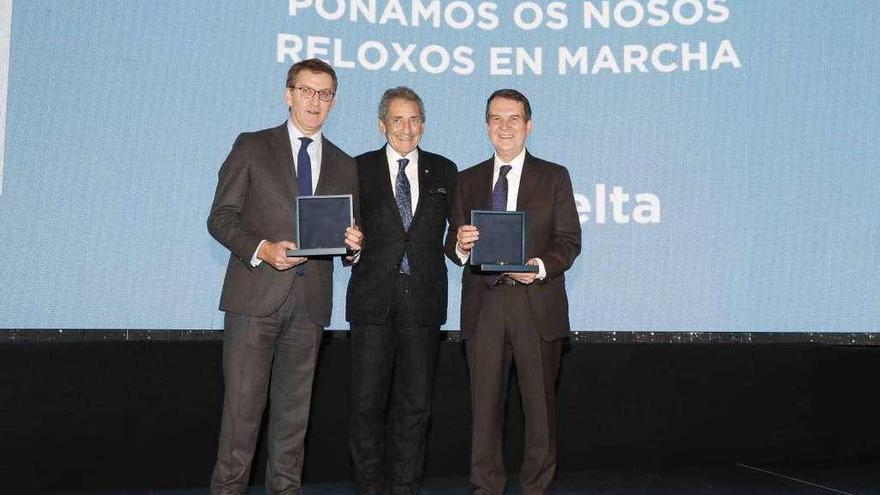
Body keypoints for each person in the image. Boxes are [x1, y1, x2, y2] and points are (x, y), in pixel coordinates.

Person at [207, 58, 363, 495]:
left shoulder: (345, 164)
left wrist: (354, 247)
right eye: (307, 91)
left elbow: (346, 239)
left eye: (326, 93)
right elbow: (220, 218)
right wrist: (262, 249)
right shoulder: (253, 146)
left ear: (334, 102)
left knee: (293, 425)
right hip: (254, 301)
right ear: (288, 93)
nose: (316, 101)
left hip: (310, 307)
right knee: (241, 418)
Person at [445, 89, 581, 495]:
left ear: (529, 124)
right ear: (487, 125)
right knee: (484, 409)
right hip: (484, 307)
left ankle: (536, 488)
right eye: (496, 119)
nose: (505, 127)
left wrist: (537, 268)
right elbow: (451, 242)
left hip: (535, 305)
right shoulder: (466, 179)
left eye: (514, 118)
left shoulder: (554, 176)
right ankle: (486, 487)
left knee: (539, 410)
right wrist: (460, 245)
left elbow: (569, 241)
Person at [346, 86, 457, 495]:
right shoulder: (356, 168)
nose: (406, 128)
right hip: (371, 301)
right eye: (398, 119)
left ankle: (406, 487)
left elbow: (452, 238)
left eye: (414, 119)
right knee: (366, 406)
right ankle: (370, 488)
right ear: (382, 124)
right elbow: (345, 235)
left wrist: (461, 247)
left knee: (416, 408)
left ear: (423, 125)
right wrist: (348, 250)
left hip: (424, 302)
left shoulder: (446, 170)